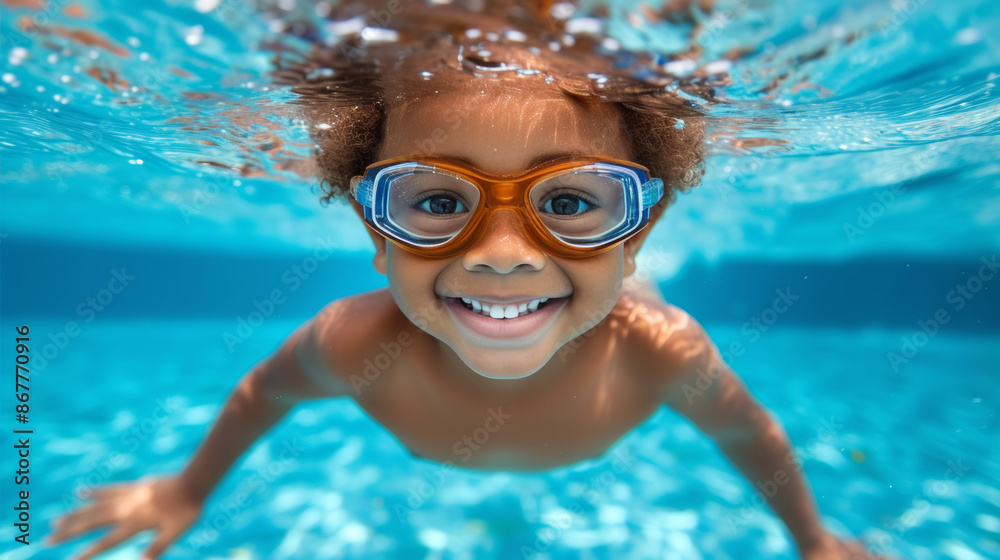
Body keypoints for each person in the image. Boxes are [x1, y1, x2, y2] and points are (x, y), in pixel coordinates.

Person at [47, 2, 894, 559]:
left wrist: (813, 541)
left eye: (570, 199)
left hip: (619, 302)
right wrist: (186, 492)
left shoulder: (664, 352)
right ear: (374, 230)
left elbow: (751, 438)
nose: (497, 252)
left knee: (623, 300)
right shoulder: (350, 343)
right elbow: (258, 397)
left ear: (645, 225)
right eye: (437, 200)